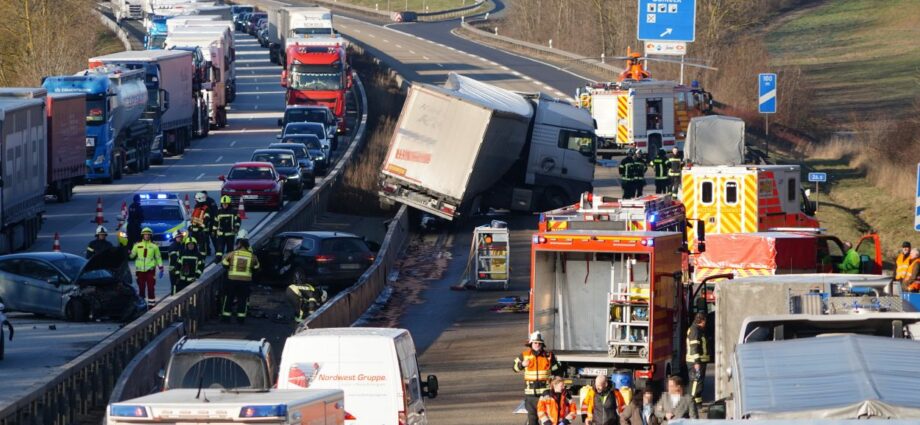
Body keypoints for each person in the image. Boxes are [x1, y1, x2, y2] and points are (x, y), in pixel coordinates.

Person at [513, 331, 561, 425]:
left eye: (539, 343)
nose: (537, 345)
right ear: (531, 343)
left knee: (547, 420)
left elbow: (557, 370)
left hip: (546, 395)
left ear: (542, 344)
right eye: (535, 342)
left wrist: (557, 380)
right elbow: (514, 368)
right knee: (533, 420)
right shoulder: (524, 355)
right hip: (531, 396)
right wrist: (522, 365)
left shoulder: (549, 356)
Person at [221, 230, 260, 323]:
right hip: (245, 281)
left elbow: (224, 264)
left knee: (229, 298)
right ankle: (240, 319)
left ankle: (226, 318)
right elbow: (257, 268)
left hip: (232, 280)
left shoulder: (232, 254)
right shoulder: (252, 256)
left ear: (238, 243)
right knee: (242, 300)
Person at [129, 227, 163, 306]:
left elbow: (158, 257)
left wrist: (161, 268)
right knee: (141, 288)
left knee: (151, 288)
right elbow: (132, 256)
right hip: (140, 271)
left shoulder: (154, 246)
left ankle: (151, 305)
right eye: (145, 234)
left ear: (150, 236)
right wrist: (128, 252)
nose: (147, 236)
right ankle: (142, 305)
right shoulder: (137, 245)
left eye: (148, 234)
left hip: (150, 270)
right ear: (142, 235)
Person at [686, 313, 709, 407]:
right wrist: (696, 362)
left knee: (698, 383)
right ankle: (689, 403)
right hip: (695, 361)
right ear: (702, 321)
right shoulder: (695, 330)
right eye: (705, 321)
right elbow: (694, 346)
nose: (705, 323)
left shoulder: (696, 329)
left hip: (699, 361)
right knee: (696, 382)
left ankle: (698, 404)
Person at [212, 195, 241, 263]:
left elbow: (238, 221)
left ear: (229, 204)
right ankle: (218, 259)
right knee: (219, 248)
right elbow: (215, 222)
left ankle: (229, 260)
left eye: (226, 204)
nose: (224, 205)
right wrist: (213, 231)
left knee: (230, 249)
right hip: (221, 234)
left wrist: (236, 228)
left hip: (230, 234)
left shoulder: (234, 211)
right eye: (223, 204)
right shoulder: (218, 212)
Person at [189, 192, 212, 258]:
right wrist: (191, 226)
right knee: (194, 244)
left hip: (202, 231)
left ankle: (202, 258)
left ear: (199, 199)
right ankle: (195, 256)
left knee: (202, 245)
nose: (195, 201)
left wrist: (201, 228)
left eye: (196, 200)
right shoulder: (197, 207)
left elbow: (206, 220)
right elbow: (194, 218)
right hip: (194, 230)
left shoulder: (206, 208)